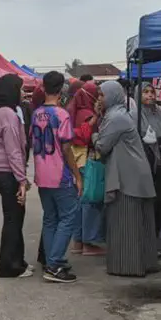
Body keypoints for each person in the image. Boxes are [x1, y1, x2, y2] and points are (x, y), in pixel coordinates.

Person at [94, 81, 159, 278]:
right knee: (135, 222)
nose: (99, 99)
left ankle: (127, 266)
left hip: (128, 177)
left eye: (102, 95)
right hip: (132, 173)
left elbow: (102, 145)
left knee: (126, 222)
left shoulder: (115, 118)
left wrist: (95, 135)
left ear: (112, 96)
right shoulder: (118, 114)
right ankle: (142, 263)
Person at [31, 71, 82, 284]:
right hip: (59, 173)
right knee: (68, 217)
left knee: (50, 218)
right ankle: (54, 263)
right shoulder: (61, 115)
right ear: (61, 89)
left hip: (42, 174)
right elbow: (67, 148)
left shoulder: (36, 113)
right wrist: (77, 175)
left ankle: (51, 260)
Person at [0, 74, 30, 278]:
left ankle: (18, 260)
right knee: (13, 218)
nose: (23, 93)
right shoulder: (7, 114)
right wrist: (22, 180)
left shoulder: (3, 112)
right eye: (20, 89)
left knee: (16, 216)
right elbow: (13, 150)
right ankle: (8, 266)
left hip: (0, 170)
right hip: (7, 171)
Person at [67, 81, 104, 256]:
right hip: (86, 162)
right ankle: (89, 242)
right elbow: (87, 138)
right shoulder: (88, 115)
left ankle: (77, 242)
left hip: (73, 161)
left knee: (79, 202)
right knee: (90, 201)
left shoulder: (72, 110)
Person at [136, 83, 161, 238]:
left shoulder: (159, 111)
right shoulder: (134, 114)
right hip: (141, 160)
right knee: (144, 200)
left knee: (159, 200)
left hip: (158, 159)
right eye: (145, 92)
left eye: (152, 92)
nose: (150, 95)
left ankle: (156, 234)